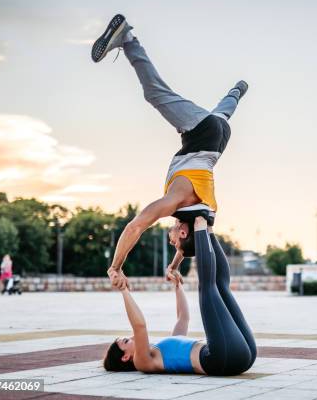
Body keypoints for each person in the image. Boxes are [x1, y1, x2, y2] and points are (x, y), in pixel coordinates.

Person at [92, 14, 248, 289]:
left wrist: (176, 264)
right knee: (155, 93)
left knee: (223, 111)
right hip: (202, 132)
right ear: (183, 230)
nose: (172, 239)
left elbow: (191, 242)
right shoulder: (174, 201)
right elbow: (136, 226)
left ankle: (236, 92)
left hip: (220, 137)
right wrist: (115, 267)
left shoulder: (203, 217)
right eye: (175, 238)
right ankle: (127, 38)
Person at [104, 216, 256, 376]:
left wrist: (177, 286)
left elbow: (183, 318)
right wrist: (124, 290)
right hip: (218, 360)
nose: (131, 337)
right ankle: (200, 226)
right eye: (126, 341)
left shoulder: (162, 349)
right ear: (125, 357)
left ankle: (208, 231)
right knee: (207, 287)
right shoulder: (143, 362)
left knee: (221, 286)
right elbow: (139, 326)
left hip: (243, 356)